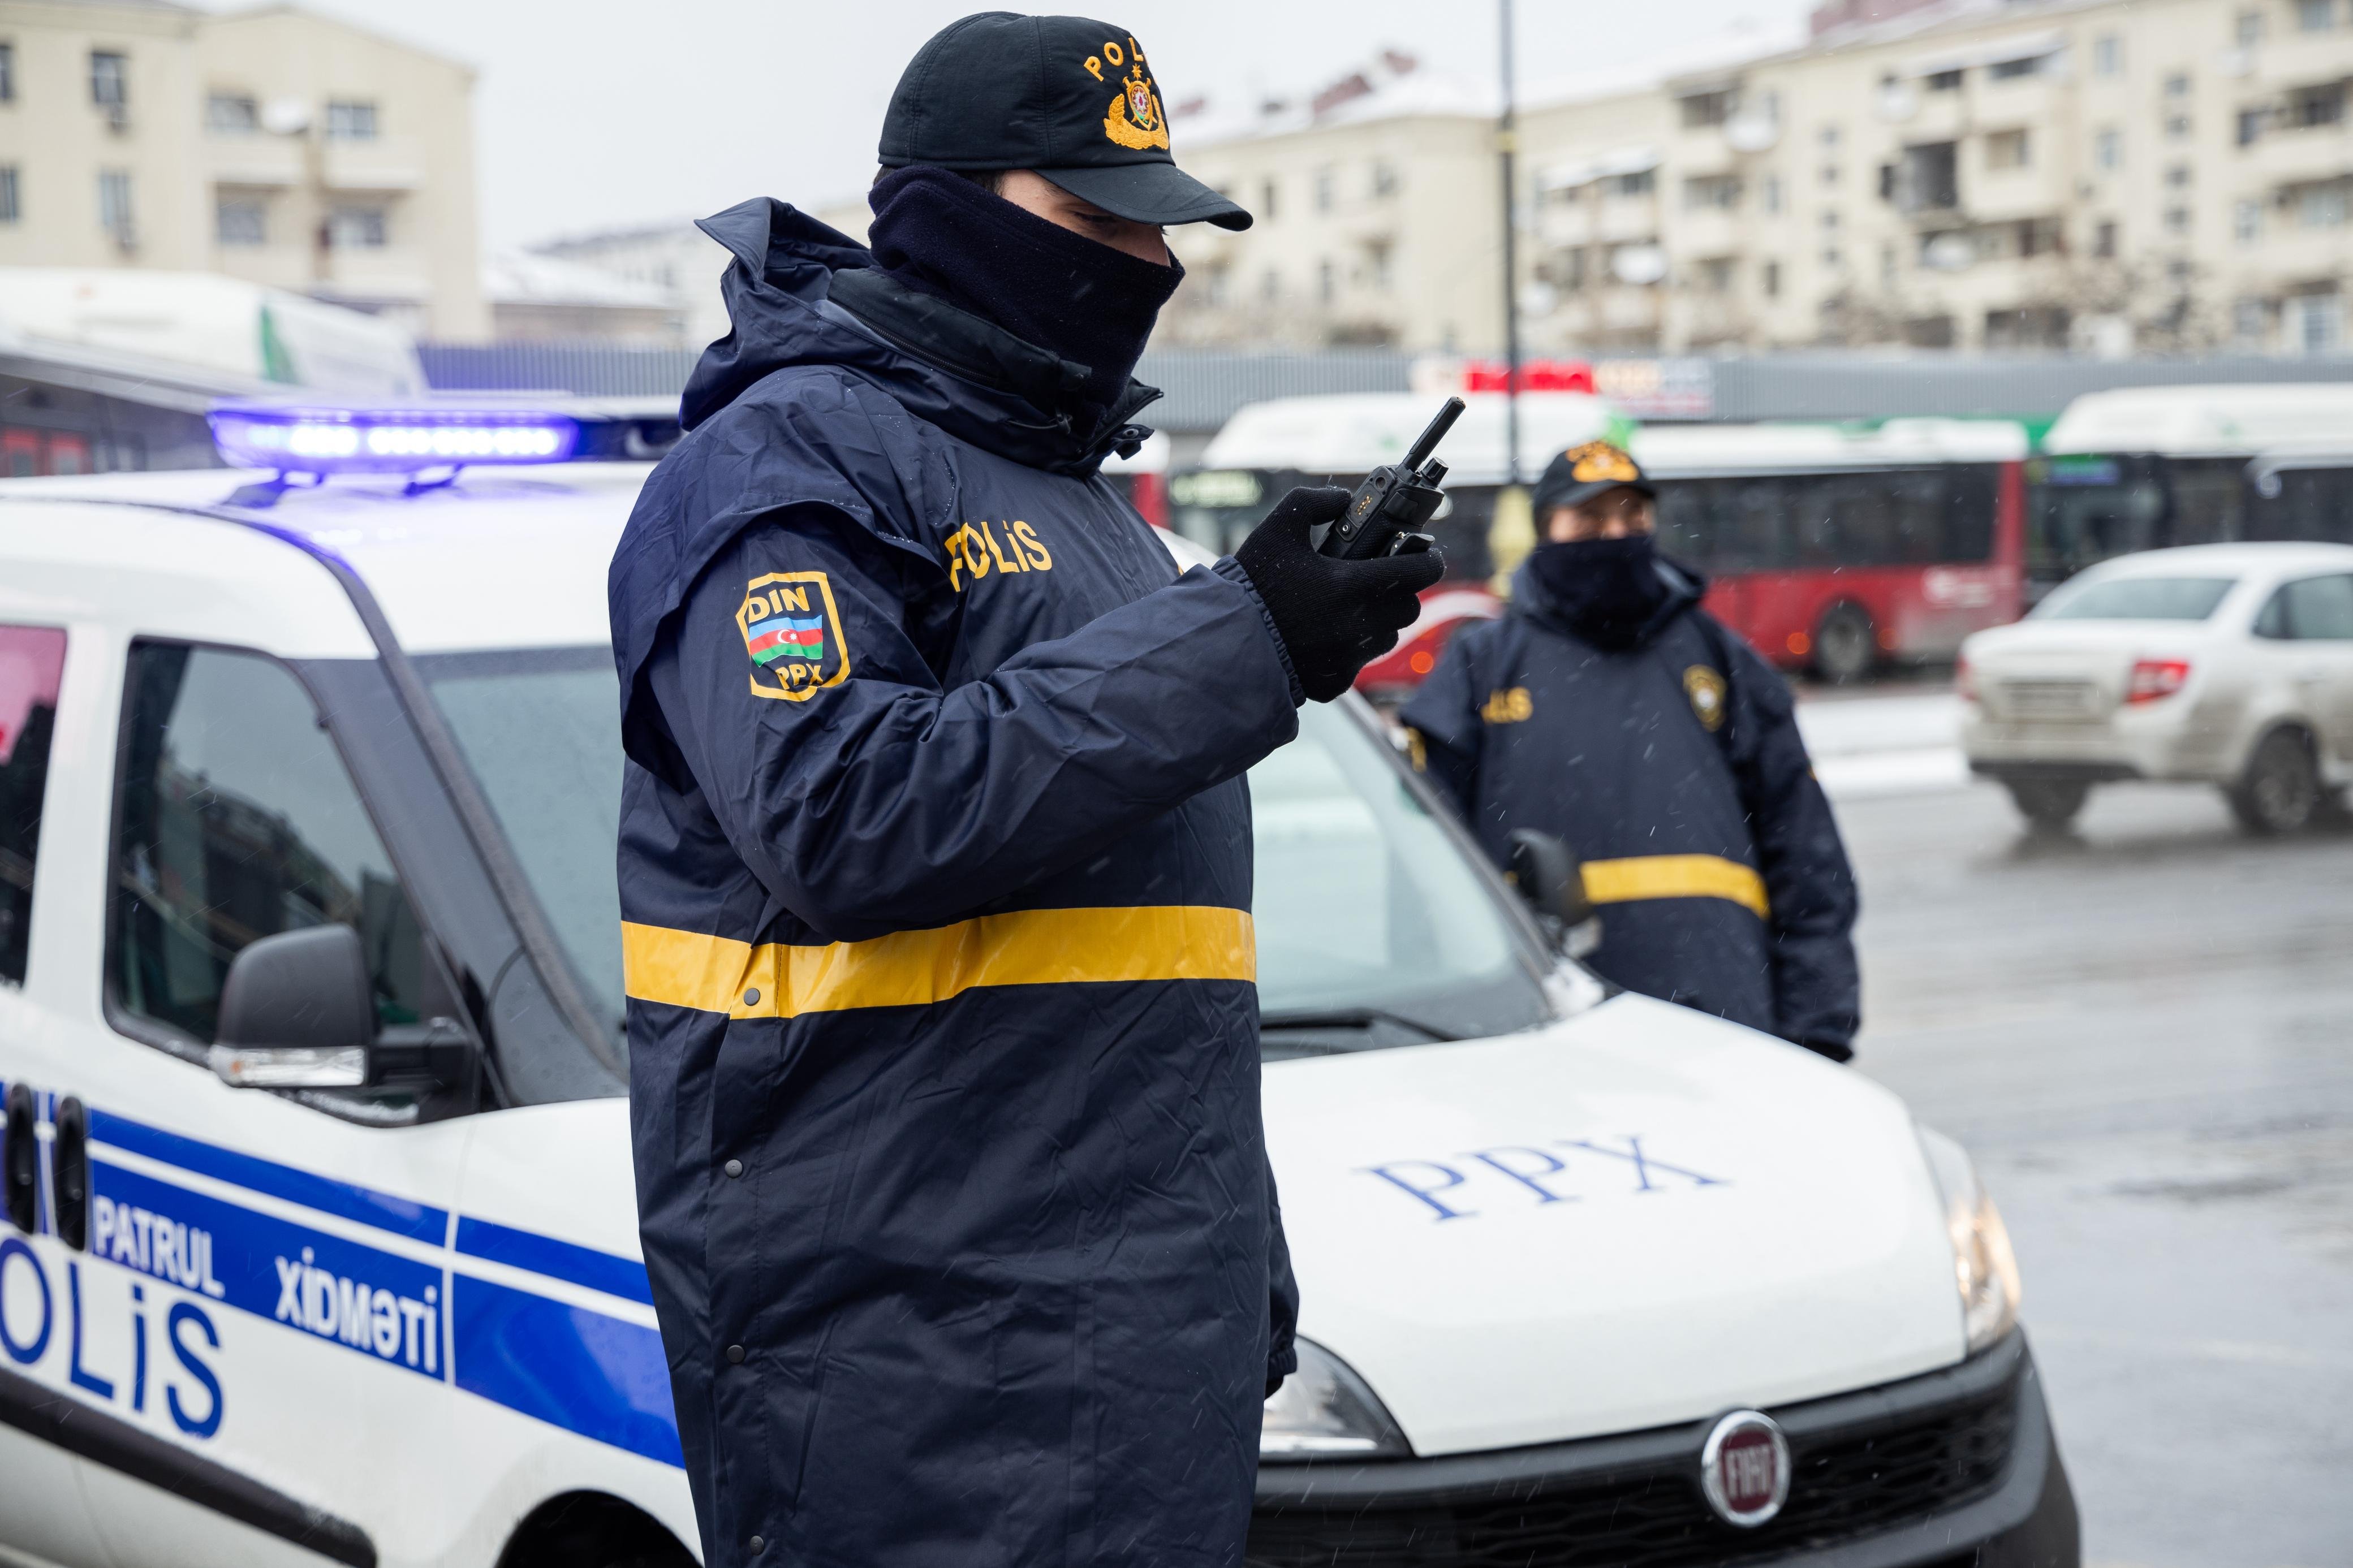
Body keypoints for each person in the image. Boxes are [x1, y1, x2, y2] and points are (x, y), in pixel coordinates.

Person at [605, 14, 1442, 1567]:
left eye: (1157, 223)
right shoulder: (785, 463)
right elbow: (843, 816)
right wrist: (1246, 634)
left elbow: (1143, 945)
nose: (1143, 259)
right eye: (1091, 218)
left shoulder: (1083, 503)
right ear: (941, 211)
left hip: (1128, 1345)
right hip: (907, 1353)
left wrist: (1232, 1251)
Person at [1399, 439, 1860, 1060]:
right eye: (1589, 520)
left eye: (1631, 518)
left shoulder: (1716, 656)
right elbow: (1426, 873)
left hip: (1724, 1019)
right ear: (1546, 531)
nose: (1614, 535)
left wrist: (1817, 1027)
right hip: (1552, 1025)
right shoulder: (1481, 666)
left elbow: (1807, 860)